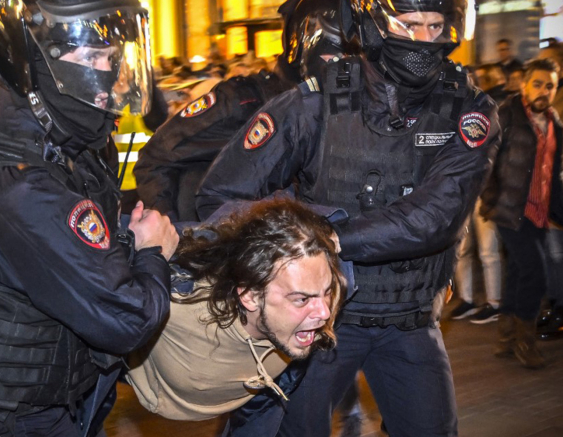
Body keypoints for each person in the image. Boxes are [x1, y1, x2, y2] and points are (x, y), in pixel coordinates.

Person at [196, 0, 500, 435]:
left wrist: (329, 238)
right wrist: (286, 247)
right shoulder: (313, 104)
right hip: (318, 323)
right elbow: (222, 196)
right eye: (411, 24)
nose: (426, 40)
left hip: (409, 316)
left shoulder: (468, 110)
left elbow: (436, 216)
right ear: (373, 23)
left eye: (436, 26)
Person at [0, 1, 179, 437]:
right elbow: (126, 320)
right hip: (8, 417)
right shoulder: (20, 184)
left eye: (112, 56)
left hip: (30, 402)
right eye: (89, 57)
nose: (105, 75)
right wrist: (154, 250)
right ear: (30, 59)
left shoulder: (27, 138)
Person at [134, 0, 355, 222]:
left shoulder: (349, 110)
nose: (349, 70)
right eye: (339, 58)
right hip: (230, 245)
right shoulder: (242, 101)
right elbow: (156, 156)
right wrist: (169, 232)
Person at [126, 198, 345, 421]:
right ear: (250, 296)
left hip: (261, 399)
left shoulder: (324, 287)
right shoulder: (176, 302)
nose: (324, 313)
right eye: (301, 299)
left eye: (325, 292)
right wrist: (148, 250)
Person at [480, 58, 562, 369]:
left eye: (550, 85)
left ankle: (506, 339)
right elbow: (485, 160)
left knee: (517, 271)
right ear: (525, 85)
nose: (544, 90)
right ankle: (525, 342)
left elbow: (552, 176)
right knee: (536, 273)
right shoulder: (507, 115)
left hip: (540, 213)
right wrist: (491, 198)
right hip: (510, 210)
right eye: (538, 83)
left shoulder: (555, 125)